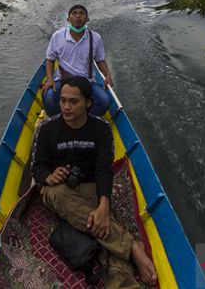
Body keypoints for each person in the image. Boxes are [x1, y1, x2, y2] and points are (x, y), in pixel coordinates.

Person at [31, 76, 158, 288]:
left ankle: (123, 284)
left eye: (73, 101)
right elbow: (37, 167)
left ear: (88, 102)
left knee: (103, 221)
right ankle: (132, 247)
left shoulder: (101, 129)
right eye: (62, 101)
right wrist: (48, 176)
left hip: (90, 186)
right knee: (59, 195)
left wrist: (103, 204)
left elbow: (103, 170)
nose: (66, 107)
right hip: (59, 189)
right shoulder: (47, 128)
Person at [42, 4, 113, 117]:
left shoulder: (95, 38)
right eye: (74, 13)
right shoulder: (58, 36)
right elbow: (50, 60)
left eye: (82, 13)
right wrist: (50, 80)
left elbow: (100, 60)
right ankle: (58, 121)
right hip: (64, 80)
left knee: (104, 101)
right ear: (68, 19)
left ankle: (84, 121)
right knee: (48, 97)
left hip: (87, 81)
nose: (78, 16)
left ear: (87, 19)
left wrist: (107, 76)